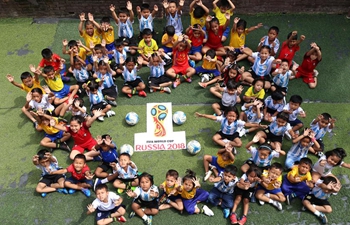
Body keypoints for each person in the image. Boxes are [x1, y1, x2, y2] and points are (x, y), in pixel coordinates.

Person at [196, 106, 262, 149]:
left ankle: (226, 142)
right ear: (226, 115)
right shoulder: (222, 119)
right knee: (214, 138)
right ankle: (226, 146)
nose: (231, 118)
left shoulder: (238, 122)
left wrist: (257, 125)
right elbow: (213, 117)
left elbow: (247, 125)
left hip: (233, 134)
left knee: (239, 144)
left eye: (233, 116)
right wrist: (203, 115)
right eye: (229, 115)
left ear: (236, 116)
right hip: (222, 133)